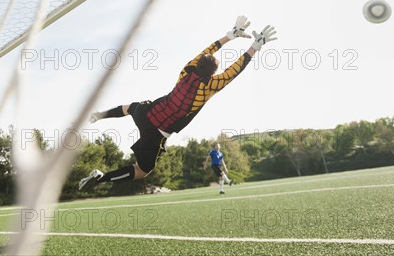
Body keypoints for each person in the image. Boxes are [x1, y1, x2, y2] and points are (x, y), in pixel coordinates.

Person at [78, 16, 277, 190]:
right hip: (158, 132)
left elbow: (207, 51)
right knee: (142, 170)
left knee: (129, 108)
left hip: (148, 112)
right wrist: (256, 46)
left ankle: (99, 115)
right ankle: (101, 178)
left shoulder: (186, 70)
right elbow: (235, 70)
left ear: (198, 64)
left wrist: (230, 36)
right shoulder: (211, 85)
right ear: (212, 73)